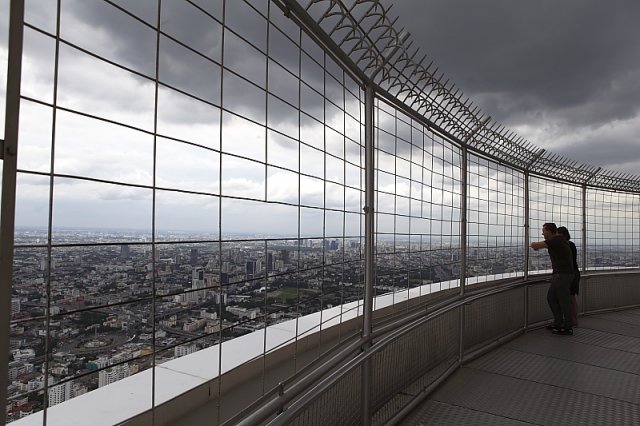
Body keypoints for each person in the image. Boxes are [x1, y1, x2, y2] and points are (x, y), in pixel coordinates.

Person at [530, 222, 574, 335]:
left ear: (549, 231)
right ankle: (559, 323)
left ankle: (567, 326)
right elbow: (543, 246)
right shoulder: (558, 240)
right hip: (562, 274)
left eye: (544, 230)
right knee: (552, 298)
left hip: (562, 275)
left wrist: (533, 244)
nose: (542, 233)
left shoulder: (556, 239)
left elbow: (536, 246)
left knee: (563, 301)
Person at [557, 226, 580, 326]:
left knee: (569, 297)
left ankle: (570, 320)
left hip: (569, 273)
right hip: (575, 272)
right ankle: (574, 319)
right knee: (571, 297)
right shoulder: (572, 245)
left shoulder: (563, 245)